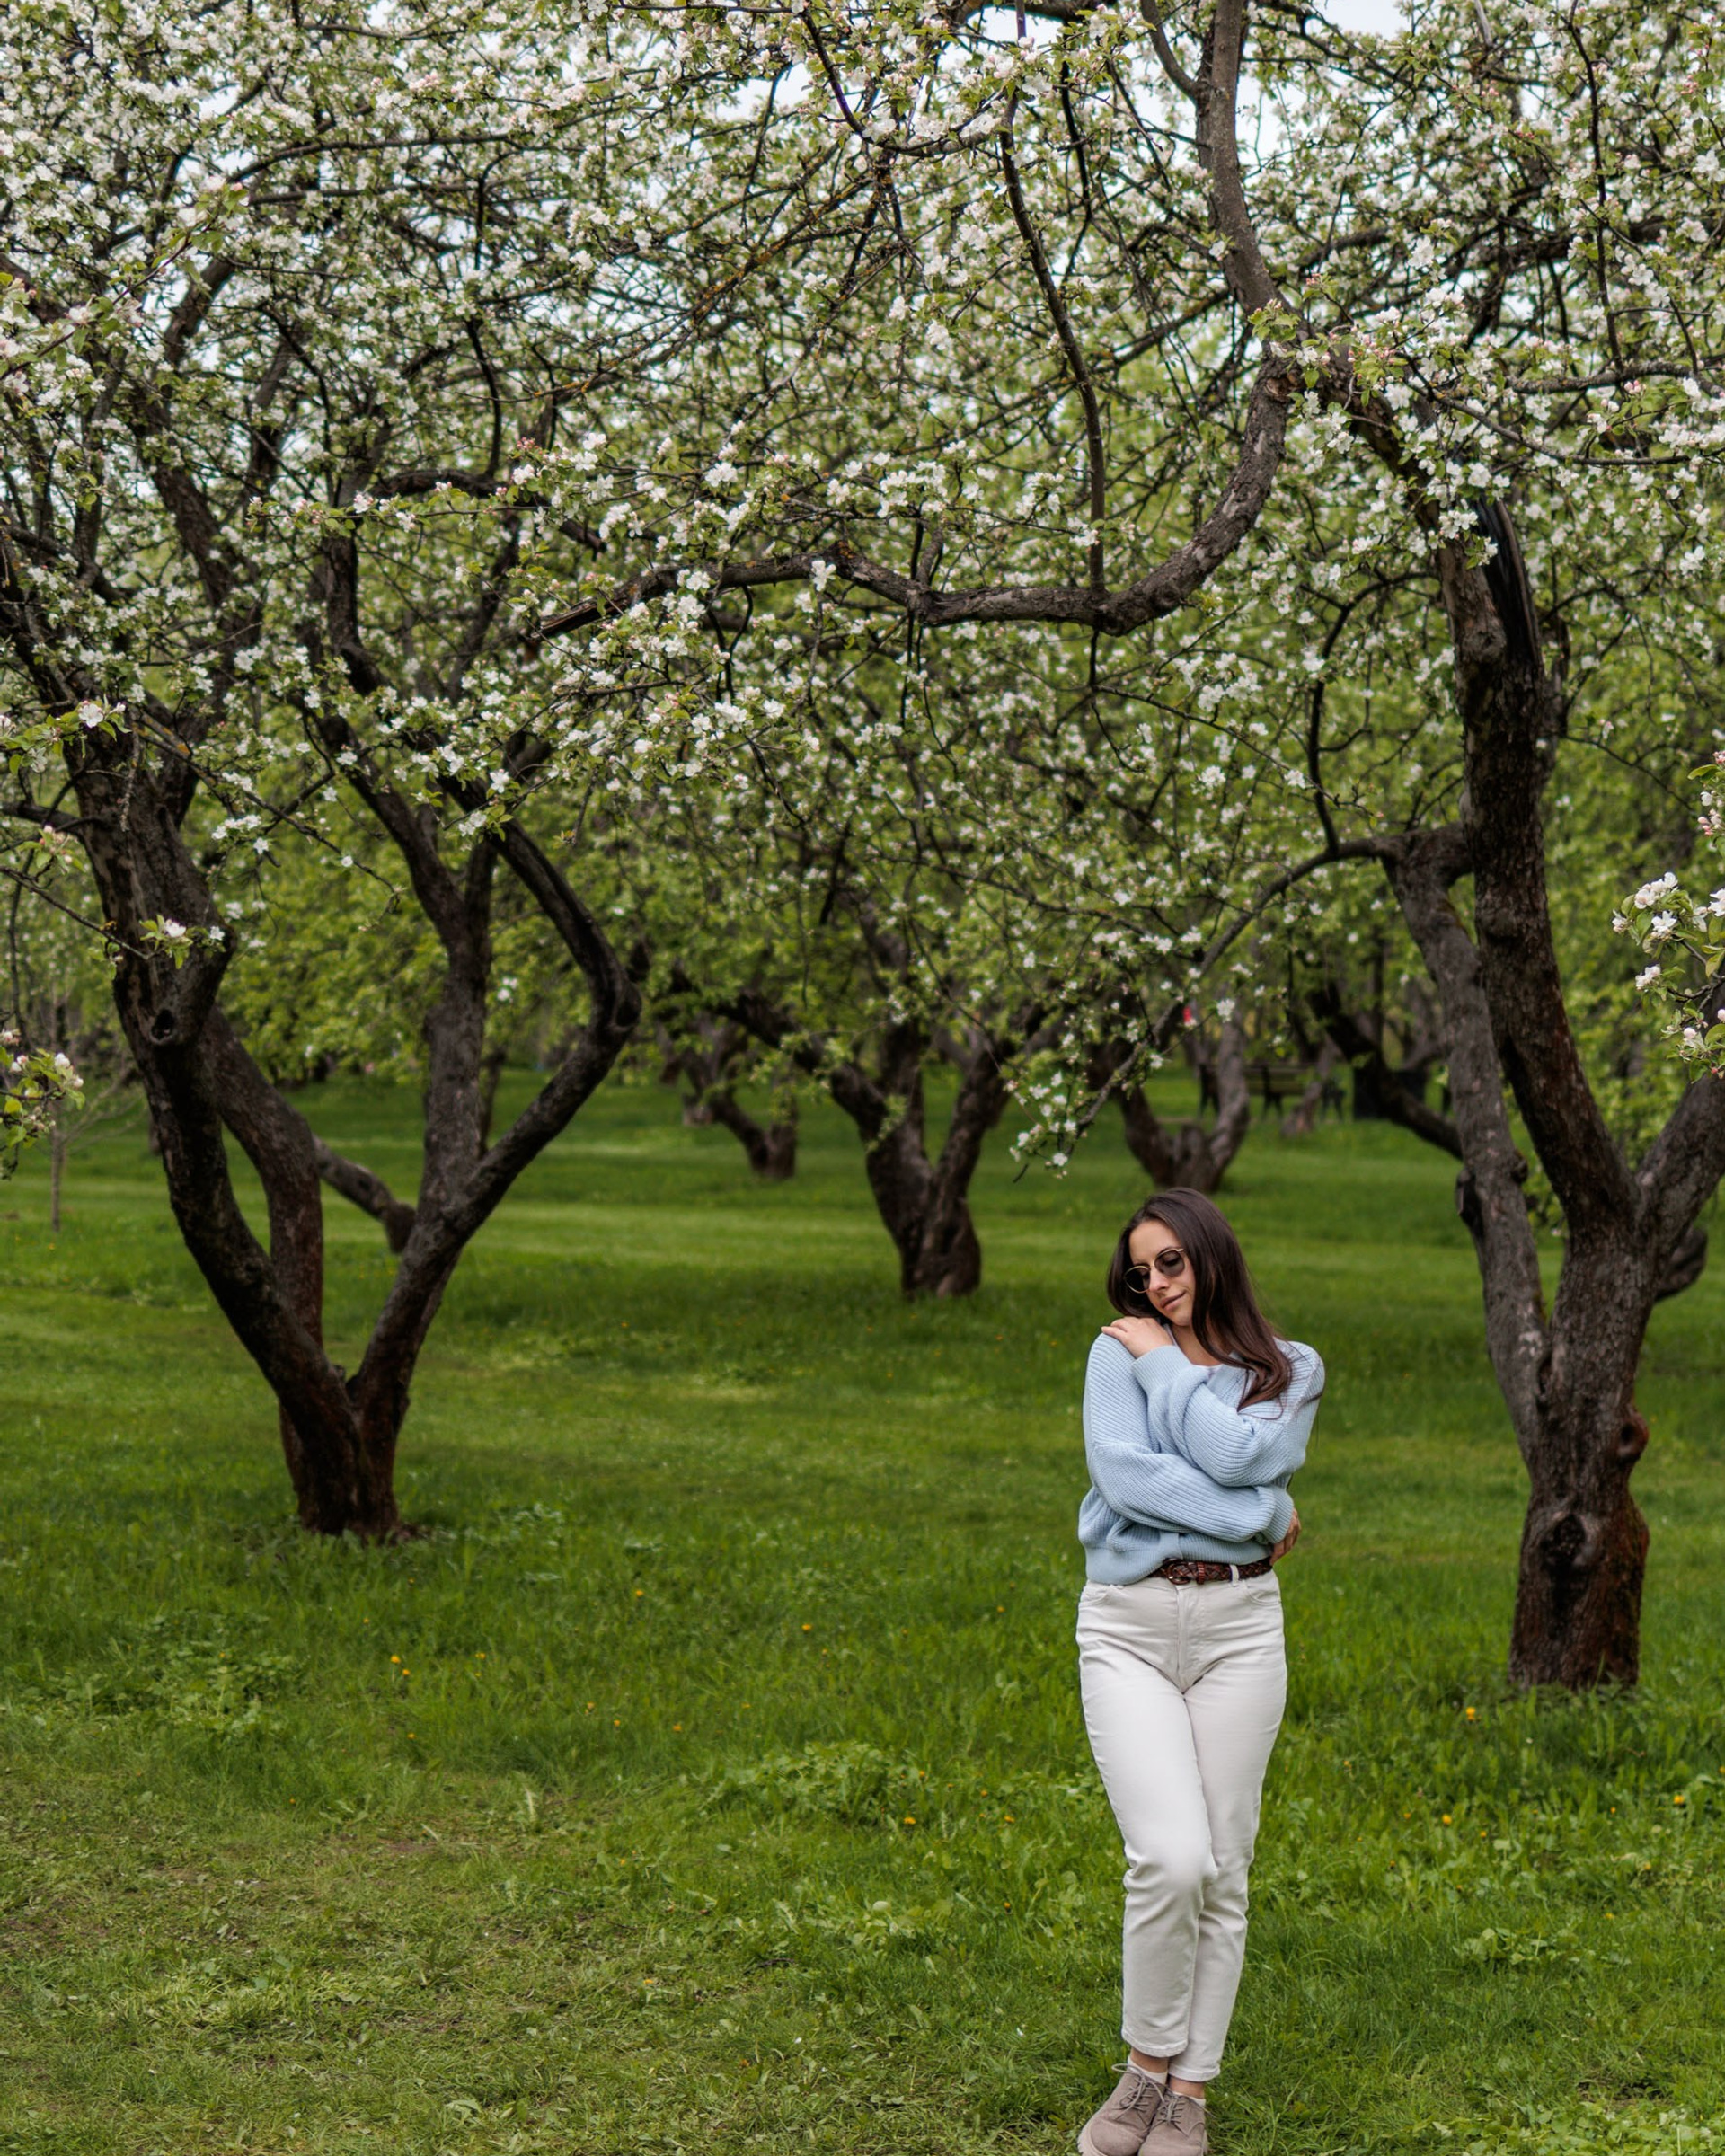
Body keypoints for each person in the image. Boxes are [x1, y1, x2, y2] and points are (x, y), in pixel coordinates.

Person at [1075, 1189, 1324, 2156]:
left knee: (1223, 1867)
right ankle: (1143, 2066)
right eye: (1143, 1270)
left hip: (1240, 1630)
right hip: (1129, 1625)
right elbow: (1125, 1477)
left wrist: (1171, 1374)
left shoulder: (1290, 1369)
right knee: (1170, 1858)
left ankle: (1190, 2090)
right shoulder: (1115, 1348)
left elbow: (1226, 1447)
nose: (1156, 1285)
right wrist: (1261, 1512)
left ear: (1213, 1254)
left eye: (1172, 1262)